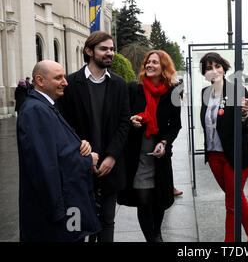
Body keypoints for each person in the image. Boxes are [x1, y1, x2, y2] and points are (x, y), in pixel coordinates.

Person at [58, 31, 130, 242]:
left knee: (107, 221)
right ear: (89, 51)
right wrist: (84, 156)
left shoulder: (119, 84)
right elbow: (64, 124)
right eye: (104, 49)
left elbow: (124, 123)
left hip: (110, 166)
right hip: (80, 167)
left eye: (112, 49)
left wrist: (112, 156)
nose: (110, 53)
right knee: (79, 223)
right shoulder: (71, 83)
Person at [17, 60, 100, 242]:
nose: (65, 82)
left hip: (68, 205)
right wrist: (88, 160)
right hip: (61, 210)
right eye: (58, 78)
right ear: (40, 80)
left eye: (64, 76)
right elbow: (45, 164)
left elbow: (59, 147)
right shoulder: (36, 110)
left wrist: (80, 144)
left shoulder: (45, 106)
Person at [117, 50, 182, 242]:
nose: (149, 65)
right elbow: (123, 117)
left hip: (160, 155)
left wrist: (164, 142)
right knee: (143, 200)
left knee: (159, 199)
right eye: (148, 62)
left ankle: (157, 232)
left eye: (154, 62)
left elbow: (175, 125)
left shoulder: (172, 92)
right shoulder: (133, 89)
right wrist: (131, 120)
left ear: (164, 67)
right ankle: (152, 239)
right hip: (138, 155)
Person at [199, 52, 248, 242]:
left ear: (224, 69)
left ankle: (233, 242)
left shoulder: (237, 91)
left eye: (217, 66)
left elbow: (247, 127)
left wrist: (243, 115)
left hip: (236, 155)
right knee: (235, 198)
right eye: (209, 68)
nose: (214, 71)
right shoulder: (205, 93)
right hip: (215, 156)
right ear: (205, 73)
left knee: (231, 203)